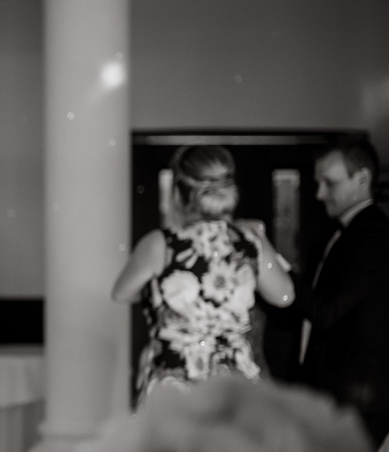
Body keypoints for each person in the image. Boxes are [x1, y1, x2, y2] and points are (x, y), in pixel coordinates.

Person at [112, 145, 295, 404]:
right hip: (234, 383)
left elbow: (121, 293)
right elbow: (284, 295)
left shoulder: (161, 244)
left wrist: (164, 294)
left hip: (176, 382)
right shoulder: (251, 242)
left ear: (178, 193)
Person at [297, 138, 389, 450]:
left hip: (359, 397)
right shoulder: (340, 234)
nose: (319, 194)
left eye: (329, 183)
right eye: (318, 183)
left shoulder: (374, 237)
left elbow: (326, 311)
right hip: (339, 393)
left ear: (362, 179)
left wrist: (276, 273)